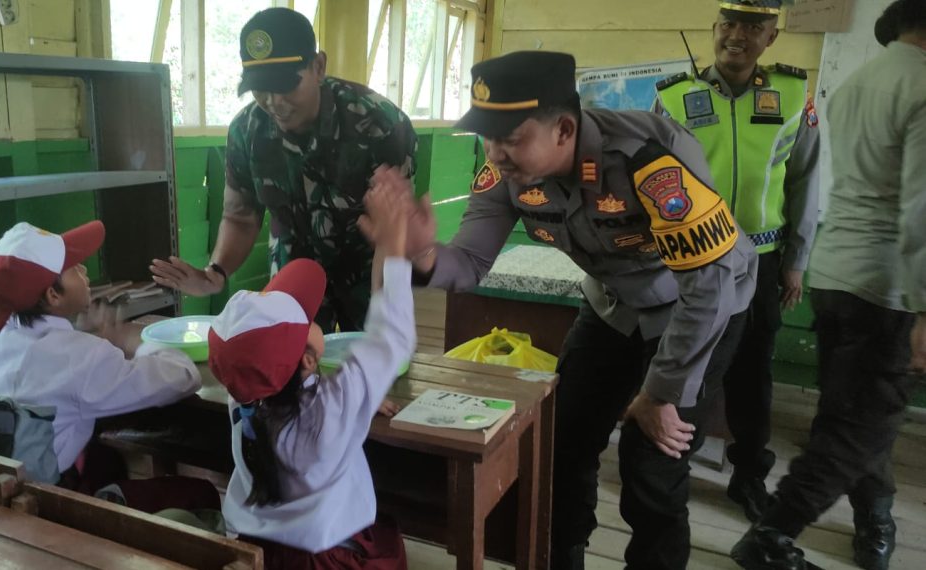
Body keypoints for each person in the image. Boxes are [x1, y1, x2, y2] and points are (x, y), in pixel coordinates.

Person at [379, 50, 758, 570]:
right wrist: (422, 252)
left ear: (563, 128)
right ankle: (560, 557)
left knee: (651, 462)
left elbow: (707, 285)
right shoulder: (504, 175)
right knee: (560, 443)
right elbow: (468, 263)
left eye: (511, 138)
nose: (495, 152)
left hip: (700, 305)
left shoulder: (648, 159)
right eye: (487, 137)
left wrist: (660, 393)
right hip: (613, 304)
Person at [731, 2, 926, 569]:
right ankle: (771, 535)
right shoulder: (921, 86)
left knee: (852, 416)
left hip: (838, 273)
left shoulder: (861, 79)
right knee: (858, 428)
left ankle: (871, 520)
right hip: (885, 283)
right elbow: (919, 209)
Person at [149, 7, 418, 333]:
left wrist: (383, 325)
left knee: (374, 364)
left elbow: (391, 231)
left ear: (318, 67)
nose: (273, 101)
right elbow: (240, 215)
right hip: (295, 258)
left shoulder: (379, 123)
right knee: (285, 362)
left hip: (369, 262)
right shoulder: (247, 131)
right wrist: (215, 274)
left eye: (285, 84)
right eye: (260, 87)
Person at [653, 0, 821, 522]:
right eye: (729, 24)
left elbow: (806, 182)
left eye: (753, 26)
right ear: (714, 30)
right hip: (693, 262)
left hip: (763, 261)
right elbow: (650, 182)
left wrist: (797, 260)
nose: (738, 36)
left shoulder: (792, 95)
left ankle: (749, 476)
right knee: (690, 370)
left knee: (752, 376)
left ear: (771, 37)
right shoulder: (675, 99)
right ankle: (672, 473)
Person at [206, 185, 416, 568]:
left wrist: (360, 403)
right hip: (324, 560)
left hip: (259, 552)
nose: (315, 314)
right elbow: (392, 336)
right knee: (390, 545)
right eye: (307, 317)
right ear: (306, 361)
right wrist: (394, 245)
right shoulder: (333, 405)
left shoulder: (245, 398)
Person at [0, 220, 205, 503]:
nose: (84, 270)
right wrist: (127, 339)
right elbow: (183, 376)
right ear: (53, 295)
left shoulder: (3, 338)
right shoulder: (77, 357)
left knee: (105, 458)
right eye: (73, 268)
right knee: (199, 493)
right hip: (40, 504)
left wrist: (89, 340)